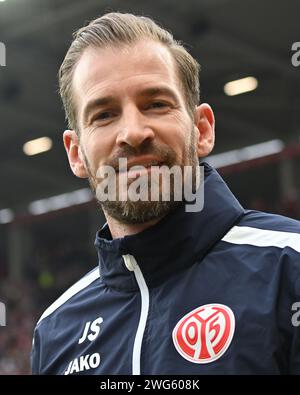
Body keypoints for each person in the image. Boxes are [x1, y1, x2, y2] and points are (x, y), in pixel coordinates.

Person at [31, 12, 300, 375]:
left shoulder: (290, 267)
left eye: (156, 104)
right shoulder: (55, 331)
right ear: (76, 154)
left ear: (202, 129)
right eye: (104, 114)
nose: (133, 132)